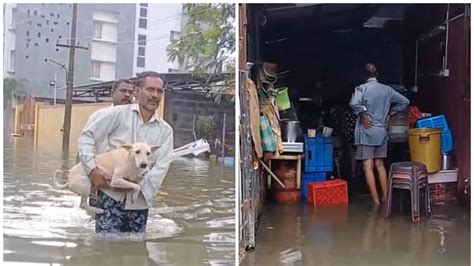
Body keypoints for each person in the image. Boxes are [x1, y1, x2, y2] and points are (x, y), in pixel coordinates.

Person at [78, 71, 173, 233]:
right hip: (109, 194)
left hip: (140, 200)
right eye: (150, 89)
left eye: (159, 91)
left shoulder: (165, 131)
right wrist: (92, 170)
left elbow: (161, 167)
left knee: (135, 250)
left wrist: (137, 187)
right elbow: (87, 137)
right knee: (105, 247)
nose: (155, 95)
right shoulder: (117, 115)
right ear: (137, 90)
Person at [349, 63, 410, 205]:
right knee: (380, 164)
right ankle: (386, 198)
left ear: (363, 76)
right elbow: (405, 101)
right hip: (381, 131)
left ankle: (376, 202)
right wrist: (391, 113)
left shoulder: (362, 88)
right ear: (377, 74)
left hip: (366, 132)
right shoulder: (387, 90)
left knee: (368, 166)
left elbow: (353, 103)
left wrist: (362, 113)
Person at [78, 79, 134, 207]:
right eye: (123, 91)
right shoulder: (98, 116)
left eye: (130, 92)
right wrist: (86, 173)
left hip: (122, 182)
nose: (127, 95)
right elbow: (85, 144)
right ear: (112, 94)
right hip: (98, 177)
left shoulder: (135, 121)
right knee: (97, 216)